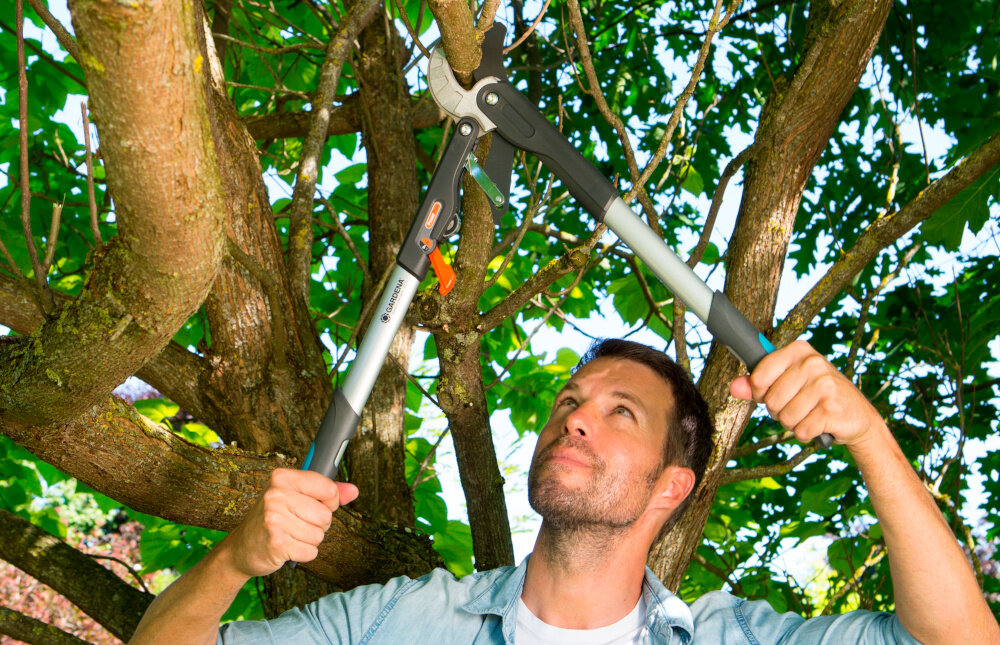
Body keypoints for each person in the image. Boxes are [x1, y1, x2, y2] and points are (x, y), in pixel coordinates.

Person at [129, 339, 1000, 645]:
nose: (576, 418)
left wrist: (869, 436)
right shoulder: (402, 620)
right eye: (571, 402)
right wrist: (239, 558)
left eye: (622, 412)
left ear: (671, 486)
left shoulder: (734, 638)